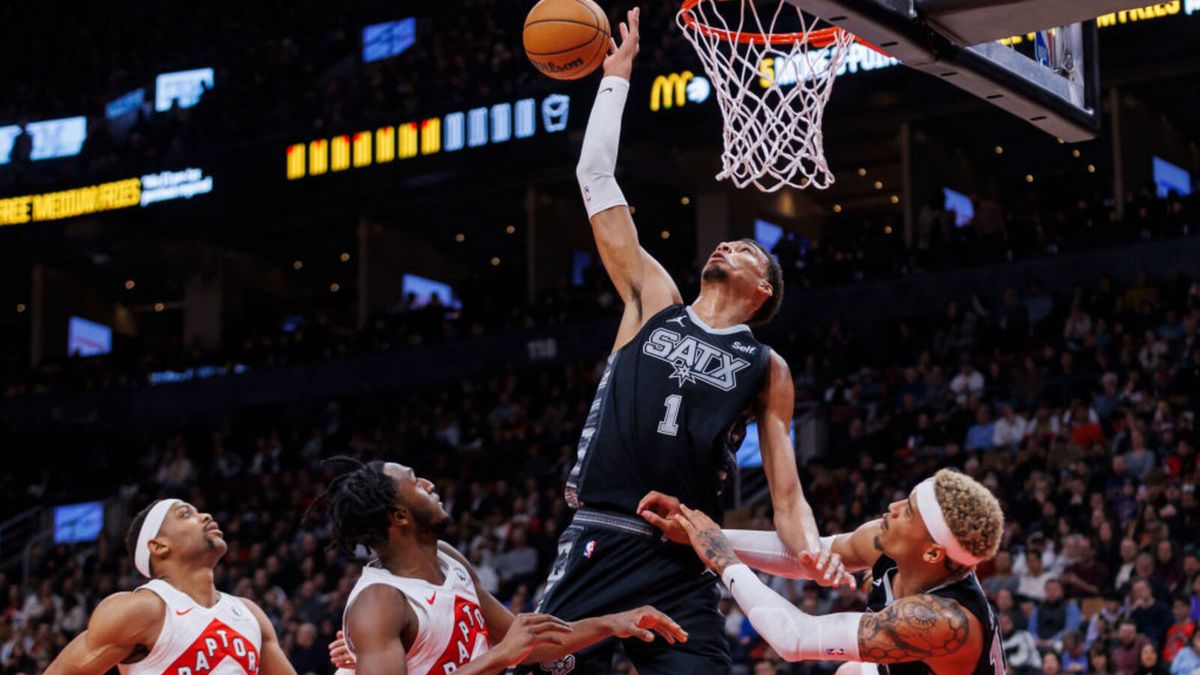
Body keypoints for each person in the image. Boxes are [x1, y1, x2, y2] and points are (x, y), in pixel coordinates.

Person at [533, 7, 849, 674]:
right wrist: (614, 80)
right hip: (604, 529)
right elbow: (596, 179)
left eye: (749, 250)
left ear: (762, 292)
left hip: (683, 555)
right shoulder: (654, 298)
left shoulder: (765, 365)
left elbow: (786, 496)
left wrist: (813, 548)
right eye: (727, 239)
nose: (730, 242)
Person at [319, 460, 687, 675]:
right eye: (416, 482)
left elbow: (522, 638)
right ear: (399, 516)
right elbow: (509, 648)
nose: (429, 484)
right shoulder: (380, 602)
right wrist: (499, 655)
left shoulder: (447, 558)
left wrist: (613, 623)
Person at [641, 468, 1008, 674]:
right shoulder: (890, 542)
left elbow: (795, 639)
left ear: (931, 552)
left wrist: (722, 559)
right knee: (851, 673)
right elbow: (808, 556)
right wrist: (698, 532)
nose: (894, 507)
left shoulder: (942, 619)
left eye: (909, 510)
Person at [45, 499, 294, 675]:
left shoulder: (250, 614)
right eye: (186, 514)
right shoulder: (142, 609)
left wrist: (335, 665)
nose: (205, 516)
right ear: (159, 546)